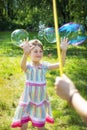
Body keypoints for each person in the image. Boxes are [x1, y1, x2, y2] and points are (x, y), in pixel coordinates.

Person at [11, 38, 68, 130]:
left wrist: (64, 51)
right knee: (23, 125)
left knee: (40, 125)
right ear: (29, 53)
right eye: (35, 51)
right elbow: (22, 66)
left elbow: (60, 64)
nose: (39, 53)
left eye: (41, 51)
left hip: (40, 101)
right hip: (27, 100)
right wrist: (25, 54)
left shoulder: (44, 66)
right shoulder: (28, 67)